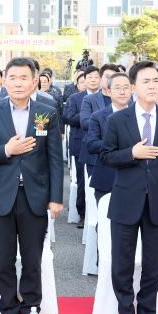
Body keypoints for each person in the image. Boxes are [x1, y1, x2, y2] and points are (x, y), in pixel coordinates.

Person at [0, 57, 63, 314]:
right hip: (2, 195)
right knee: (5, 257)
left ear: (34, 81)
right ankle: (9, 310)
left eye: (24, 78)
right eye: (13, 78)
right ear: (4, 81)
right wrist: (6, 151)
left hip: (35, 195)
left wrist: (56, 197)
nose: (18, 83)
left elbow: (55, 159)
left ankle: (31, 308)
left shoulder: (46, 112)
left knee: (32, 257)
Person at [101, 61, 158, 314]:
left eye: (155, 80)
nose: (152, 86)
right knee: (122, 263)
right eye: (145, 81)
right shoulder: (117, 120)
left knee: (153, 264)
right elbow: (106, 156)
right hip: (126, 200)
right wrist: (131, 154)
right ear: (133, 87)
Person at [86, 73, 134, 202]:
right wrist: (118, 145)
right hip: (106, 177)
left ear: (132, 89)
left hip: (134, 178)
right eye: (117, 88)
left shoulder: (140, 116)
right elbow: (91, 144)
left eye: (126, 87)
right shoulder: (97, 117)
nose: (122, 92)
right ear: (108, 91)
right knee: (105, 221)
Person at [64, 68, 96, 228]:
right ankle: (82, 213)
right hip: (80, 143)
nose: (92, 80)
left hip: (100, 145)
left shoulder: (105, 98)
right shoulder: (75, 98)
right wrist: (87, 113)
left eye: (96, 77)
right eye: (87, 78)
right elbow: (68, 118)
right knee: (83, 181)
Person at [79, 66, 114, 179]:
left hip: (119, 155)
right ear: (101, 78)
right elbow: (84, 123)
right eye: (107, 77)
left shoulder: (126, 99)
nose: (110, 80)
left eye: (113, 77)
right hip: (95, 154)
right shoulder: (89, 99)